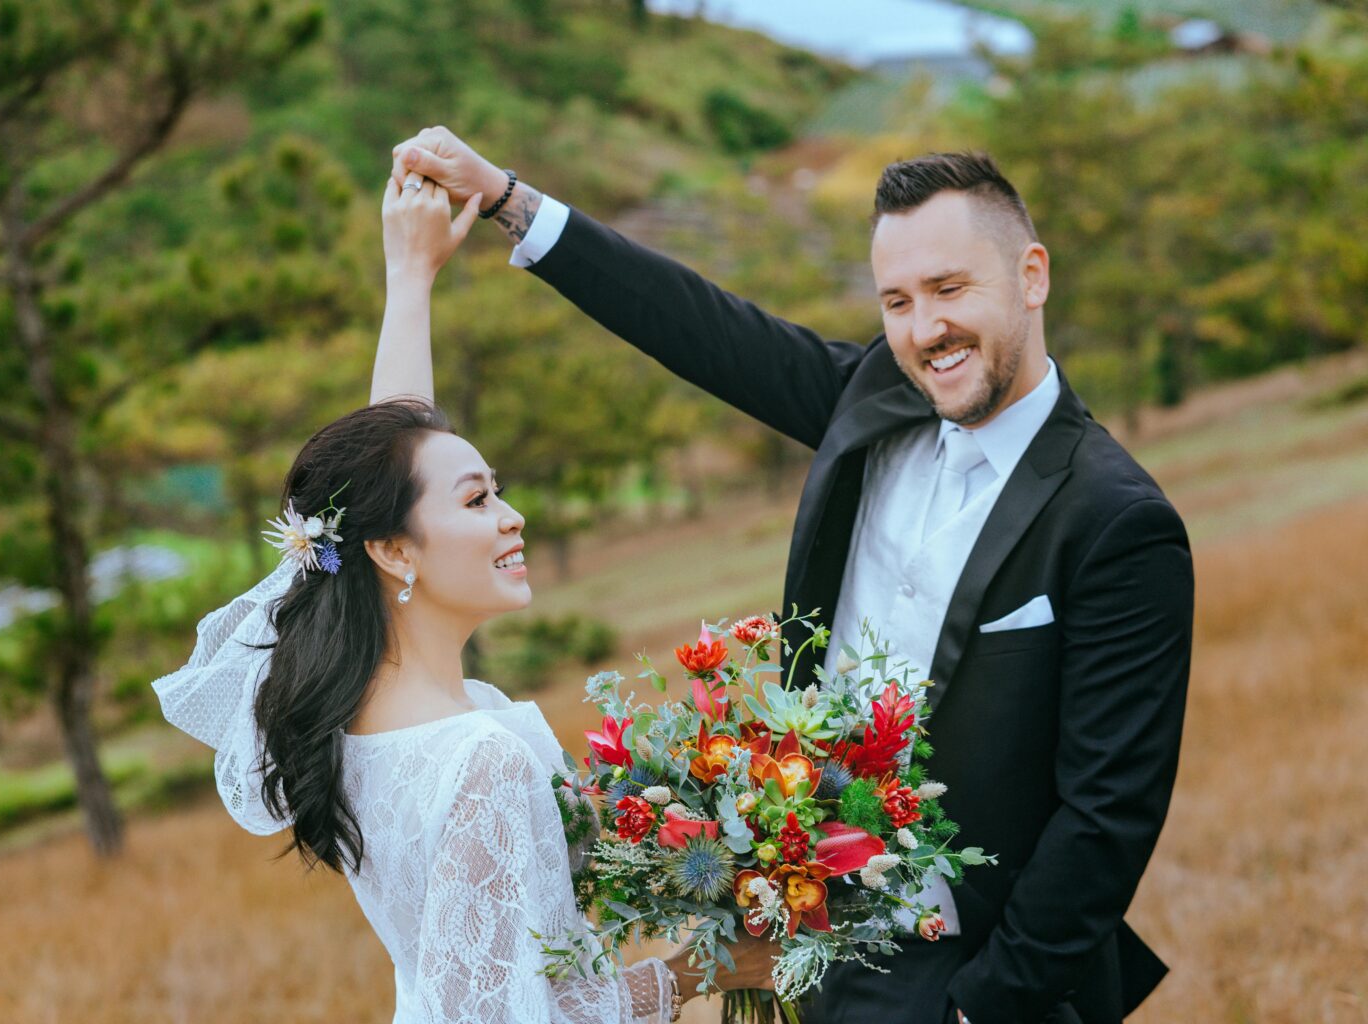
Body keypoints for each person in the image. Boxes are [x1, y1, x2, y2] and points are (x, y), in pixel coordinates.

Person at [386, 129, 1194, 1024]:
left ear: (1032, 276)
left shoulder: (1119, 521)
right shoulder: (875, 400)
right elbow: (700, 324)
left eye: (951, 289)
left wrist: (985, 1008)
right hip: (809, 940)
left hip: (970, 969)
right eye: (897, 300)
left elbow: (1108, 814)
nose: (925, 329)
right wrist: (507, 197)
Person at [151, 170, 781, 1021]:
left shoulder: (360, 716)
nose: (513, 518)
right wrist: (698, 970)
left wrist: (410, 278)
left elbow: (388, 473)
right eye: (479, 501)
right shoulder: (472, 758)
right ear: (393, 552)